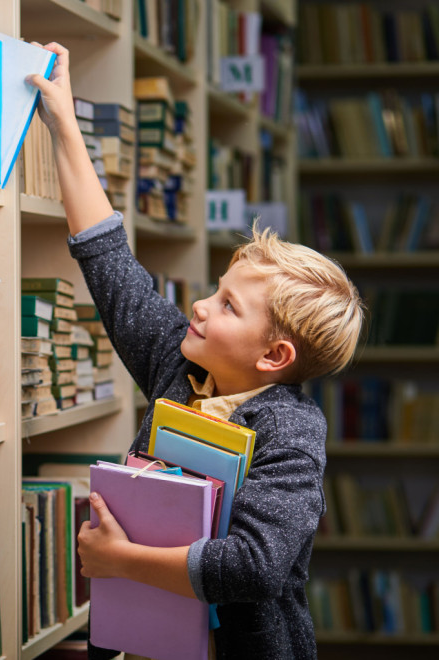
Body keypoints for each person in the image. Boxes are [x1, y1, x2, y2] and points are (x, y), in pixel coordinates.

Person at [27, 42, 365, 659]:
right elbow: (110, 266)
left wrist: (121, 561)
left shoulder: (292, 432)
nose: (203, 307)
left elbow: (254, 567)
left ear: (274, 358)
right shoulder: (181, 366)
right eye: (215, 291)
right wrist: (63, 121)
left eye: (229, 306)